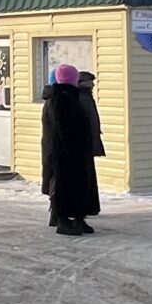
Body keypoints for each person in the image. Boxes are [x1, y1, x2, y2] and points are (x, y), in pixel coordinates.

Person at [40, 63, 101, 237]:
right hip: (66, 153)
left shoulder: (71, 97)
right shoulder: (62, 99)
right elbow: (64, 128)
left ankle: (78, 218)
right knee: (65, 185)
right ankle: (63, 220)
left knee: (79, 185)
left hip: (75, 151)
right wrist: (70, 148)